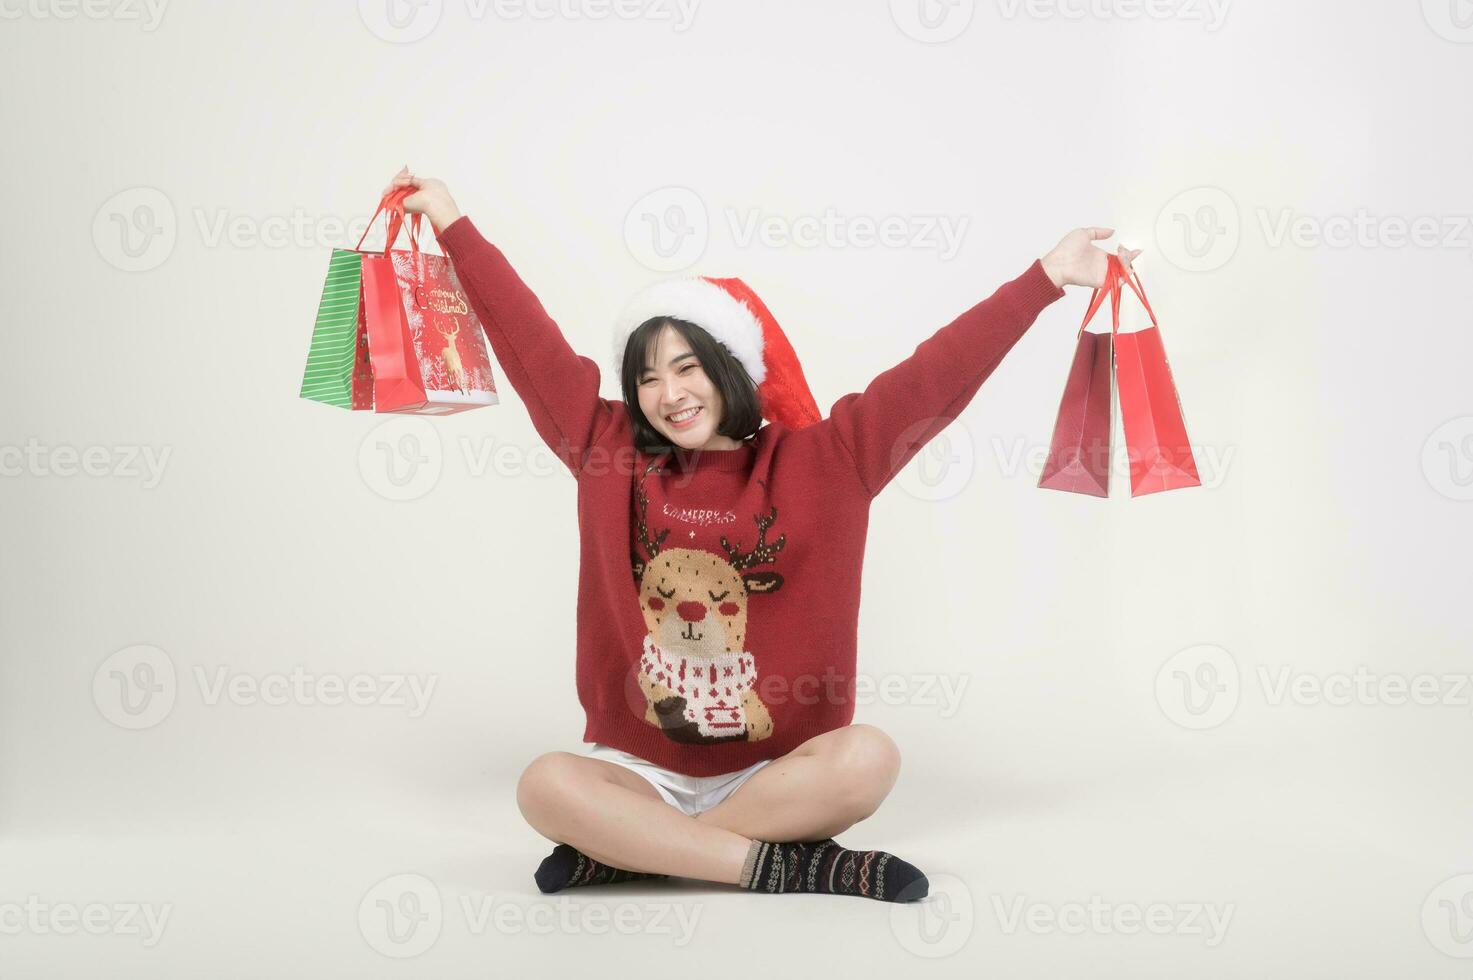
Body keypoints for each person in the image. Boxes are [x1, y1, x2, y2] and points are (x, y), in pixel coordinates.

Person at [382, 166, 1140, 903]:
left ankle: (629, 851)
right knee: (543, 784)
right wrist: (452, 222)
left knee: (868, 760)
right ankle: (791, 867)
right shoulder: (603, 448)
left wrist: (1043, 277)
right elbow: (529, 343)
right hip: (635, 771)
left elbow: (932, 376)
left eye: (687, 367)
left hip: (778, 772)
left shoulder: (830, 458)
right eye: (646, 376)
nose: (668, 393)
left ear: (729, 368)